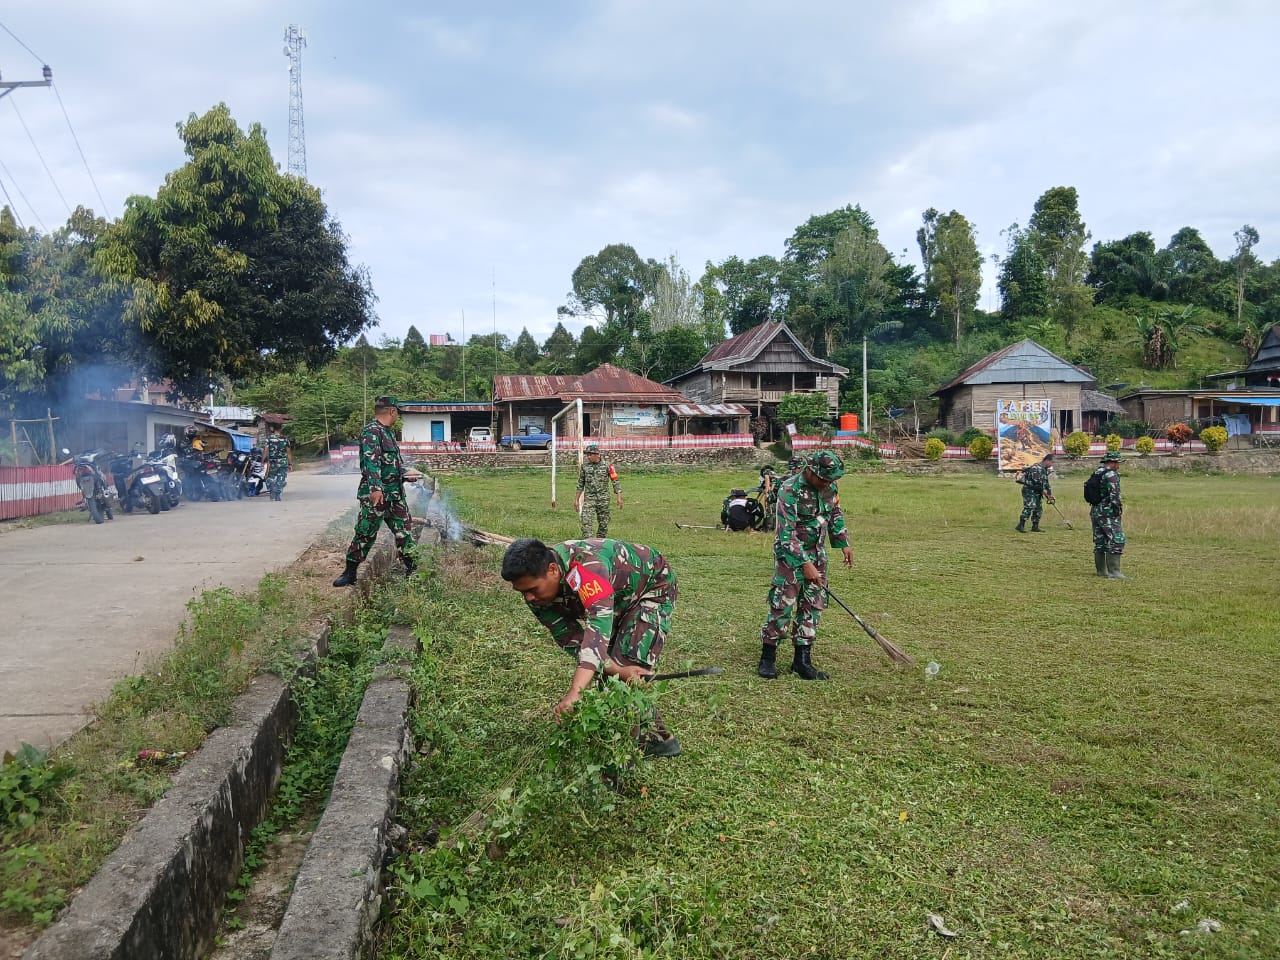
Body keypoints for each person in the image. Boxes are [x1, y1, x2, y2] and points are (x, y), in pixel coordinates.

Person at [500, 537, 681, 757]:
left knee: (622, 672)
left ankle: (623, 760)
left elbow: (597, 628)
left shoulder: (587, 569)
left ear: (553, 570)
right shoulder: (535, 597)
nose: (528, 597)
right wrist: (615, 669)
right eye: (522, 592)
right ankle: (661, 740)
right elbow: (572, 638)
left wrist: (576, 691)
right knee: (615, 674)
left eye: (532, 589)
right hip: (616, 599)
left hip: (651, 589)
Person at [758, 450, 853, 681]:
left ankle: (802, 660)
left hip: (817, 552)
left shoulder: (830, 486)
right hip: (790, 555)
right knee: (783, 602)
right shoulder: (789, 489)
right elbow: (785, 533)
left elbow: (834, 512)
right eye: (824, 479)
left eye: (831, 480)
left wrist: (843, 542)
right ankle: (768, 657)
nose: (828, 484)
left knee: (813, 603)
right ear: (811, 471)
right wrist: (804, 564)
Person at [333, 396, 422, 586]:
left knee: (404, 532)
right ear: (392, 411)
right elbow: (370, 462)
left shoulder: (387, 433)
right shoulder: (371, 431)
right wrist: (375, 488)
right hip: (377, 496)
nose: (397, 415)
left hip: (395, 495)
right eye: (397, 412)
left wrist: (406, 473)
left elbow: (389, 465)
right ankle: (350, 573)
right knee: (365, 533)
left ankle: (413, 570)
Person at [1090, 450, 1127, 579]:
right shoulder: (1111, 474)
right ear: (1112, 462)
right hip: (1108, 512)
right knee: (1117, 539)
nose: (1118, 466)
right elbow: (1115, 495)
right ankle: (1114, 572)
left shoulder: (1098, 472)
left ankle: (1101, 571)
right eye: (1117, 463)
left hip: (1095, 510)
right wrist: (1118, 510)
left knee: (1100, 540)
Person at [575, 443, 622, 538]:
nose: (588, 457)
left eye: (590, 455)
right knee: (586, 520)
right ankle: (588, 543)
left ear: (597, 454)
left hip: (603, 499)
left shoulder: (608, 465)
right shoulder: (585, 466)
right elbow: (581, 484)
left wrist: (619, 497)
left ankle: (600, 544)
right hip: (589, 498)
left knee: (603, 523)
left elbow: (615, 481)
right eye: (587, 455)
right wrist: (576, 500)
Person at [1015, 453, 1055, 532]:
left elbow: (1046, 483)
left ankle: (1035, 526)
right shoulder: (1036, 468)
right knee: (1029, 507)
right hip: (1029, 490)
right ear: (1047, 460)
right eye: (1052, 462)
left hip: (1037, 491)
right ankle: (1021, 525)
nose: (1052, 464)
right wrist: (1044, 491)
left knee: (1038, 509)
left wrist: (1049, 495)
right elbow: (1037, 483)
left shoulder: (1044, 469)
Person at [262, 422, 293, 501]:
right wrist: (290, 464)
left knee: (270, 477)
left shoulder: (269, 439)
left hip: (272, 462)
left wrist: (262, 462)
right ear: (280, 429)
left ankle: (272, 490)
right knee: (281, 478)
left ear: (273, 429)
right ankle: (278, 493)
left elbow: (265, 450)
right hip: (283, 462)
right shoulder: (285, 439)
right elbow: (288, 453)